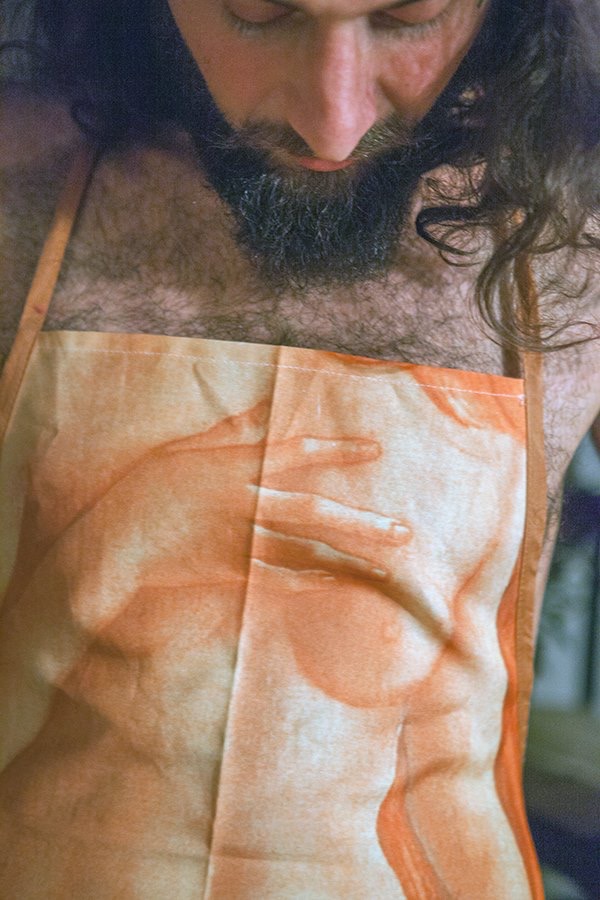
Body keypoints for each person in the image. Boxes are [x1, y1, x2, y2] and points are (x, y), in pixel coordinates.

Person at [0, 0, 598, 896]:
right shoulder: (15, 187)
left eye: (407, 17)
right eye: (259, 12)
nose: (334, 121)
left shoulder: (578, 235)